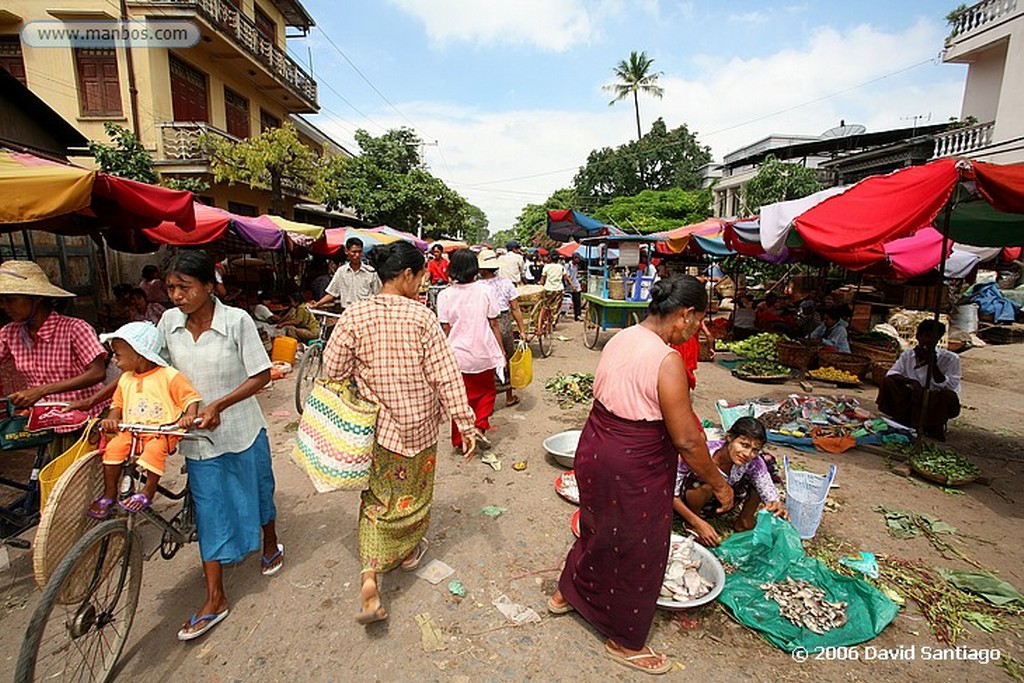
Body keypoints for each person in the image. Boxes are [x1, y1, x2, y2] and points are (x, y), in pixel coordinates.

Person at [549, 275, 733, 675]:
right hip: (631, 462)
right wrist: (719, 482)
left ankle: (568, 593)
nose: (697, 330)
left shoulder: (622, 337)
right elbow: (686, 440)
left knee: (597, 525)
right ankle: (623, 639)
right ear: (684, 316)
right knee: (640, 546)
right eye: (698, 321)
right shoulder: (666, 361)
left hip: (595, 446)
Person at [320, 241, 478, 625]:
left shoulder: (355, 315)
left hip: (375, 430)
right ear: (406, 276)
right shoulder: (421, 318)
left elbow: (332, 369)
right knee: (415, 494)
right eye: (421, 275)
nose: (423, 282)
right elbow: (445, 374)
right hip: (419, 428)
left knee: (378, 499)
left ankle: (370, 578)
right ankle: (407, 553)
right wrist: (465, 421)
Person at [160, 251, 282, 640]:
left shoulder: (236, 321)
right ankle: (216, 597)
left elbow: (261, 374)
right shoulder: (168, 323)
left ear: (209, 287)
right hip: (197, 439)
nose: (176, 295)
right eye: (171, 288)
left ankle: (269, 542)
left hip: (241, 429)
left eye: (184, 287)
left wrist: (219, 404)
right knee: (211, 509)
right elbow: (159, 371)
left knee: (258, 491)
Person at [87, 322, 201, 519]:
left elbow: (190, 398)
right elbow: (117, 404)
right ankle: (109, 492)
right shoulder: (125, 378)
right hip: (131, 431)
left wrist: (189, 416)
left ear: (140, 354)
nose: (114, 360)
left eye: (118, 355)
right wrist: (112, 419)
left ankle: (149, 490)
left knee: (154, 450)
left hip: (161, 432)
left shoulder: (169, 375)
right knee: (113, 449)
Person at [0, 261, 108, 453]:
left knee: (78, 479)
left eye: (11, 299)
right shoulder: (10, 333)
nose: (4, 306)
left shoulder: (75, 328)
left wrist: (40, 391)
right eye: (2, 300)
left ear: (37, 298)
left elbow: (98, 372)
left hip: (84, 417)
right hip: (45, 420)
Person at [673, 417, 786, 546]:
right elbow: (671, 494)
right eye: (744, 445)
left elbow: (765, 486)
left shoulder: (753, 461)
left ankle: (744, 520)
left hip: (726, 502)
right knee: (704, 479)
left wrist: (775, 503)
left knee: (767, 461)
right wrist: (696, 522)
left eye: (755, 450)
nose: (748, 454)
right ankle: (692, 523)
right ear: (729, 437)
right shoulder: (702, 454)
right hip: (692, 502)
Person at [436, 250, 506, 451]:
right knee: (487, 392)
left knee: (461, 398)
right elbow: (493, 324)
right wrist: (500, 351)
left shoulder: (445, 295)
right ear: (475, 268)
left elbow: (446, 328)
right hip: (483, 350)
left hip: (457, 354)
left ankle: (461, 440)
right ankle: (479, 427)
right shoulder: (485, 291)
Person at [877, 319, 961, 440]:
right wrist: (912, 382)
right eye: (927, 336)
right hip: (912, 395)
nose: (929, 341)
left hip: (934, 399)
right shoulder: (908, 355)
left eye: (934, 338)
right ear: (918, 336)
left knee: (946, 396)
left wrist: (933, 365)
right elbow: (892, 374)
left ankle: (932, 425)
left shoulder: (951, 359)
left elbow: (951, 386)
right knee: (889, 383)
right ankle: (903, 418)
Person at [477, 249, 528, 407]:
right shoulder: (506, 283)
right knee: (507, 357)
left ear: (482, 268)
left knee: (487, 362)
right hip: (504, 322)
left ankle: (488, 401)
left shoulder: (477, 286)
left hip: (484, 323)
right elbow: (515, 308)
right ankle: (509, 396)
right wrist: (522, 329)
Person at [312, 237, 381, 311]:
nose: (357, 255)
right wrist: (317, 304)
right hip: (347, 311)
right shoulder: (341, 272)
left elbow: (379, 294)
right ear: (346, 251)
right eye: (354, 252)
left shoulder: (370, 272)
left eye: (359, 252)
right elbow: (332, 294)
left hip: (366, 312)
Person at [564, 254, 583, 321]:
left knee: (577, 301)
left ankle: (577, 315)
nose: (579, 260)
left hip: (576, 285)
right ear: (574, 258)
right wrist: (572, 286)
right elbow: (567, 277)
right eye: (577, 259)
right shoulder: (567, 266)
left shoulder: (576, 266)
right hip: (569, 286)